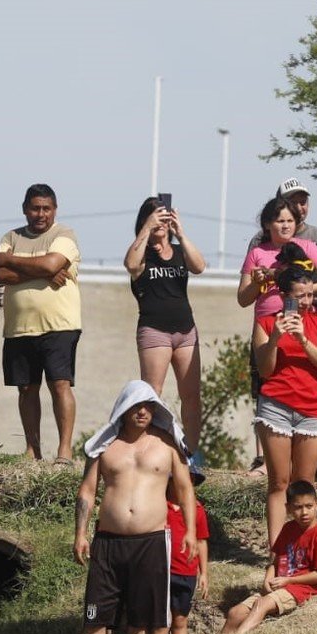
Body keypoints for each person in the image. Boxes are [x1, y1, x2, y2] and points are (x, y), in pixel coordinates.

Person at [73, 381, 197, 634]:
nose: (142, 411)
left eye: (148, 406)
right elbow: (87, 491)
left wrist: (190, 532)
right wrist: (80, 533)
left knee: (141, 617)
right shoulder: (106, 446)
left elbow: (185, 490)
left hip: (151, 542)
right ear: (124, 408)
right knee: (94, 616)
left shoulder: (167, 445)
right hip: (108, 542)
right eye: (136, 406)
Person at [237, 195, 317, 474]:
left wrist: (300, 289)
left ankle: (300, 454)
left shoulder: (307, 247)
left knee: (305, 378)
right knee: (265, 383)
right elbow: (243, 298)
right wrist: (261, 281)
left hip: (304, 322)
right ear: (268, 223)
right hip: (268, 323)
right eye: (280, 220)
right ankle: (263, 458)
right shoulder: (258, 252)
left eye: (290, 221)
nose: (285, 226)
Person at [0, 184, 81, 463]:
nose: (40, 214)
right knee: (27, 388)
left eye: (46, 208)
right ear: (25, 209)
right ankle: (33, 450)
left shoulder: (64, 235)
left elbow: (48, 264)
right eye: (35, 208)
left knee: (60, 385)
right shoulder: (11, 236)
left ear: (54, 209)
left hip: (59, 325)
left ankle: (64, 451)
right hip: (19, 327)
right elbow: (0, 273)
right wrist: (42, 272)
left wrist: (14, 261)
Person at [200, 480, 317, 634]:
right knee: (235, 613)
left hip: (300, 589)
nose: (304, 512)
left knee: (261, 604)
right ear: (288, 508)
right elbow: (275, 561)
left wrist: (289, 580)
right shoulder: (288, 529)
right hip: (279, 585)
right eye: (298, 507)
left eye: (309, 506)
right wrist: (267, 579)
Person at [253, 266, 317, 547]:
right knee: (279, 482)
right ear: (284, 296)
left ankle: (303, 548)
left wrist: (302, 339)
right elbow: (265, 370)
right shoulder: (265, 323)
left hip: (311, 407)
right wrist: (276, 338)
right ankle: (276, 552)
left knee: (304, 483)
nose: (307, 302)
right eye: (300, 296)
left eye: (311, 295)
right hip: (275, 405)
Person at [126, 197, 206, 471]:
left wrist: (181, 233)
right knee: (151, 397)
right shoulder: (141, 251)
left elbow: (199, 266)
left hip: (185, 331)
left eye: (164, 215)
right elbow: (131, 265)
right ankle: (151, 452)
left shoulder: (179, 249)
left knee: (192, 396)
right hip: (154, 331)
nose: (161, 220)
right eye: (154, 215)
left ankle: (192, 455)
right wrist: (146, 229)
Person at [147, 474, 210, 634]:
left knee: (180, 620)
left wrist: (204, 573)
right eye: (180, 479)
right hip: (161, 572)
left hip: (186, 572)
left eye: (190, 481)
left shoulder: (197, 510)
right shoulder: (158, 506)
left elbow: (201, 541)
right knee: (160, 622)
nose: (184, 484)